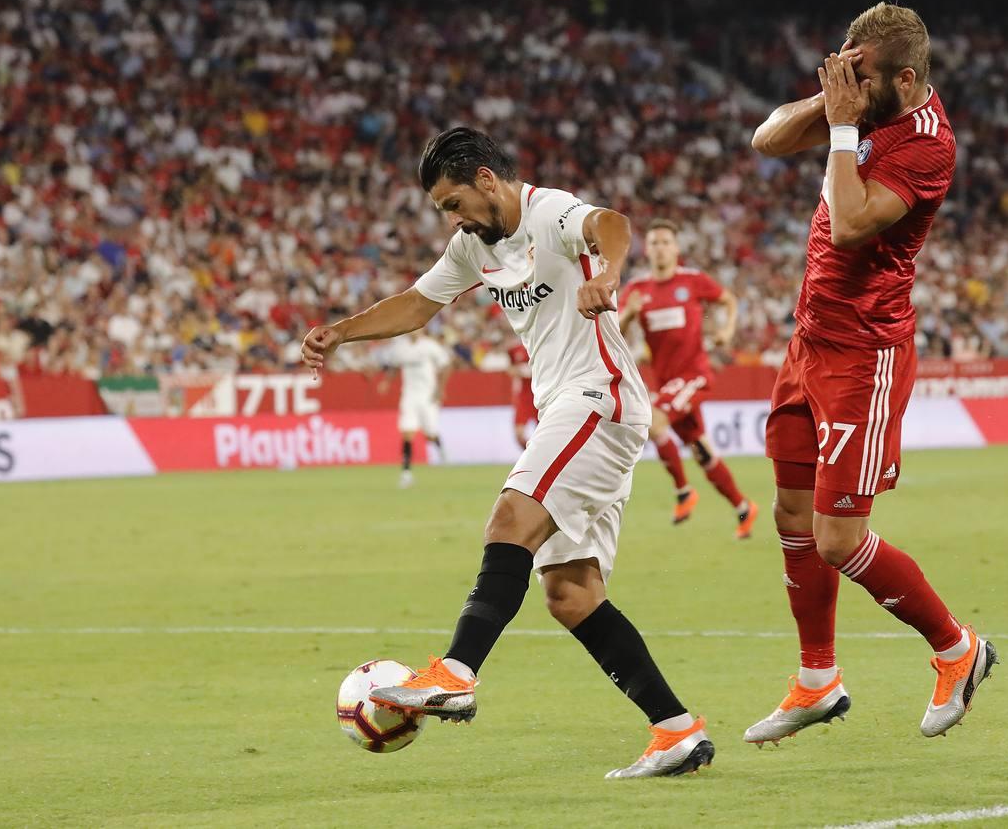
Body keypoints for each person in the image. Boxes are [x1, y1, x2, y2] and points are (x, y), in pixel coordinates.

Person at [301, 127, 713, 779]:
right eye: (444, 210)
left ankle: (457, 672)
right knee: (570, 593)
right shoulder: (472, 246)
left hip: (597, 399)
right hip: (571, 409)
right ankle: (676, 729)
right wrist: (339, 334)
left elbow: (613, 223)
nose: (452, 218)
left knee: (508, 520)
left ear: (487, 180)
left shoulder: (549, 212)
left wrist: (604, 273)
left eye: (453, 202)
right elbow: (415, 305)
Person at [742, 2, 997, 747]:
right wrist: (832, 100)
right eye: (842, 64)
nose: (848, 80)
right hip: (808, 342)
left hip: (865, 353)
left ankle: (958, 648)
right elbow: (766, 141)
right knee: (792, 516)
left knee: (836, 535)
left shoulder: (927, 145)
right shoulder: (859, 98)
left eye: (861, 72)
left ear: (906, 78)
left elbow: (851, 222)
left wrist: (845, 125)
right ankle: (817, 679)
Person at [619, 219, 757, 538]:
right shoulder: (636, 290)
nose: (660, 248)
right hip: (667, 382)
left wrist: (726, 330)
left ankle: (683, 491)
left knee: (653, 421)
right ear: (646, 249)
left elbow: (728, 300)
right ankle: (743, 507)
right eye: (653, 242)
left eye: (666, 242)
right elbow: (618, 332)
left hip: (693, 375)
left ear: (676, 248)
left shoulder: (692, 281)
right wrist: (628, 313)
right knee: (701, 450)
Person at [378, 332, 451, 488]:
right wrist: (386, 382)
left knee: (429, 434)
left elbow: (446, 365)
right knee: (407, 432)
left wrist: (440, 389)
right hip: (409, 395)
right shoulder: (401, 347)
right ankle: (406, 473)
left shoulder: (430, 346)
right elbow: (394, 367)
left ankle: (440, 447)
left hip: (428, 396)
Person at [508, 340, 537, 448]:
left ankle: (540, 456)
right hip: (523, 398)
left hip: (539, 396)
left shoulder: (540, 346)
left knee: (542, 432)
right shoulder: (514, 349)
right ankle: (530, 455)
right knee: (519, 434)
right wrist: (517, 371)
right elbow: (510, 368)